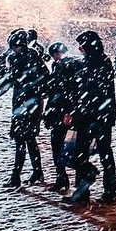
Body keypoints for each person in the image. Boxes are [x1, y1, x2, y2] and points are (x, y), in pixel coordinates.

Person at [0, 28, 49, 188]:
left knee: (21, 140)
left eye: (14, 46)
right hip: (32, 104)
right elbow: (44, 77)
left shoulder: (19, 59)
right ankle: (36, 171)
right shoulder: (33, 58)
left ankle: (16, 175)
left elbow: (8, 82)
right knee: (29, 139)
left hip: (24, 105)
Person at [67, 30, 116, 206]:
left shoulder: (102, 63)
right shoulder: (88, 63)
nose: (80, 49)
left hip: (98, 116)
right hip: (88, 116)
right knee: (82, 153)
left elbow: (94, 90)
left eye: (82, 46)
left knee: (103, 153)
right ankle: (82, 191)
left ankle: (107, 190)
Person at [43, 41, 80, 193]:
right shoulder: (58, 67)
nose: (55, 58)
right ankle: (62, 177)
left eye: (56, 55)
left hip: (65, 113)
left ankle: (68, 179)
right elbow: (53, 93)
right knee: (59, 146)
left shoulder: (69, 67)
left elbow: (68, 92)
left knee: (67, 147)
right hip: (59, 112)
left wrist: (69, 111)